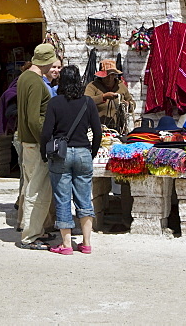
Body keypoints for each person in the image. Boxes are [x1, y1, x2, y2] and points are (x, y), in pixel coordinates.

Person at [41, 65, 101, 255]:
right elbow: (97, 131)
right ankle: (86, 243)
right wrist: (92, 152)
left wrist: (44, 152)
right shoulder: (88, 102)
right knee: (84, 198)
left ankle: (66, 244)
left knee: (63, 198)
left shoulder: (55, 103)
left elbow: (46, 133)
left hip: (61, 154)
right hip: (83, 151)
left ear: (62, 82)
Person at [16, 44, 57, 250]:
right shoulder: (36, 82)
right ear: (48, 61)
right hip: (35, 142)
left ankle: (35, 230)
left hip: (27, 141)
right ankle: (30, 236)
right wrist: (45, 143)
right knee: (38, 191)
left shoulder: (24, 78)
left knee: (30, 186)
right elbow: (34, 119)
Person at [84, 58, 134, 132]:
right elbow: (85, 101)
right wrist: (103, 97)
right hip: (97, 129)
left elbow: (132, 103)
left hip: (118, 129)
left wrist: (128, 104)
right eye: (107, 75)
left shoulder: (121, 86)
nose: (110, 78)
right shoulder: (92, 86)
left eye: (112, 75)